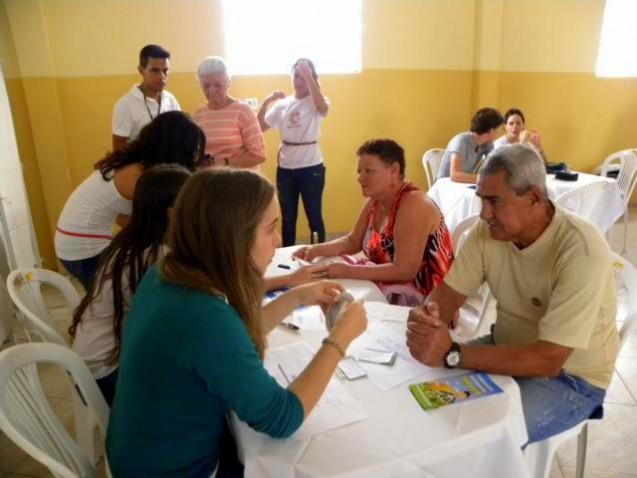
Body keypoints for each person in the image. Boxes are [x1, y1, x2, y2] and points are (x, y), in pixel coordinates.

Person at [106, 169, 367, 477]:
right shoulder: (204, 317)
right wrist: (339, 339)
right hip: (171, 468)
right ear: (233, 237)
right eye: (270, 229)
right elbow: (282, 418)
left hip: (137, 451)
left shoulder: (169, 271)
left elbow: (232, 337)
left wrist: (295, 298)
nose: (279, 240)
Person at [406, 144, 619, 444]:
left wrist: (453, 354)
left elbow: (549, 360)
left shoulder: (580, 248)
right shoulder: (488, 233)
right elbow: (447, 296)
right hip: (505, 346)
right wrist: (428, 318)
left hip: (570, 379)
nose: (483, 214)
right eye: (481, 200)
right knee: (418, 398)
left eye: (494, 201)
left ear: (533, 197)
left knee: (478, 437)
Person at [68, 165, 191, 405]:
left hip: (91, 362)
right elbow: (177, 324)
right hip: (104, 374)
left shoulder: (133, 240)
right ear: (171, 213)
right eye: (194, 205)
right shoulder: (156, 257)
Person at [55, 111, 205, 289]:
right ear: (175, 149)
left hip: (70, 243)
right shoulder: (138, 177)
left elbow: (125, 218)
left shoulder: (131, 162)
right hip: (83, 251)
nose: (194, 157)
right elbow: (156, 227)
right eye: (192, 151)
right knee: (126, 295)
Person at [294, 139, 454, 306]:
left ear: (394, 170)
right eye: (359, 171)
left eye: (369, 171)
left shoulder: (414, 203)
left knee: (340, 300)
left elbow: (404, 271)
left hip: (428, 303)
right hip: (389, 288)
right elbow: (353, 241)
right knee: (327, 291)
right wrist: (314, 250)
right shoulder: (376, 200)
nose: (360, 178)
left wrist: (348, 271)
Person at [258, 58, 330, 246]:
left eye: (304, 76)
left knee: (314, 214)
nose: (299, 81)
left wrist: (308, 75)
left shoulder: (317, 101)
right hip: (286, 168)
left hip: (311, 167)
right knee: (288, 218)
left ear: (313, 78)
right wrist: (267, 101)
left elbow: (323, 108)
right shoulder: (283, 104)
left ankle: (319, 254)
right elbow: (259, 127)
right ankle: (287, 258)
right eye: (296, 76)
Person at [193, 56, 266, 169]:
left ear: (228, 83)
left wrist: (226, 162)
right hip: (210, 180)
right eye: (206, 86)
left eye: (217, 85)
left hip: (239, 180)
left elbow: (259, 156)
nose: (211, 91)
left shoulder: (243, 111)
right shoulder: (199, 114)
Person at [112, 45, 181, 151]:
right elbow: (118, 149)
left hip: (169, 165)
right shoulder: (126, 104)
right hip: (140, 165)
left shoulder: (170, 99)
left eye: (165, 71)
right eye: (155, 71)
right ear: (141, 70)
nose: (162, 76)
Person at [438, 107, 504, 183]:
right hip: (444, 185)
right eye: (497, 131)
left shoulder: (487, 144)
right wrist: (484, 179)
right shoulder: (461, 141)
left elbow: (494, 168)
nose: (498, 134)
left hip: (462, 185)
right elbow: (455, 175)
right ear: (491, 130)